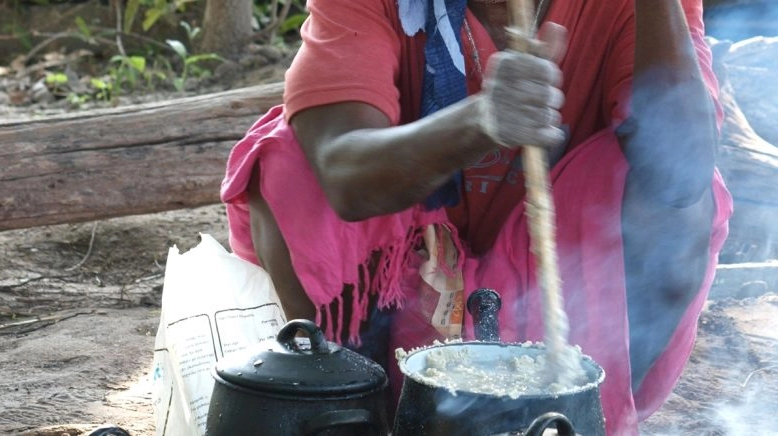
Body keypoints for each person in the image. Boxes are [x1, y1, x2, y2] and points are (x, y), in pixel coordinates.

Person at [221, 0, 733, 433]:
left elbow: (680, 176)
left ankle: (582, 416)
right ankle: (358, 408)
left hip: (562, 286)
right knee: (291, 160)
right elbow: (341, 170)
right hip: (403, 280)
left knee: (674, 189)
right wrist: (481, 118)